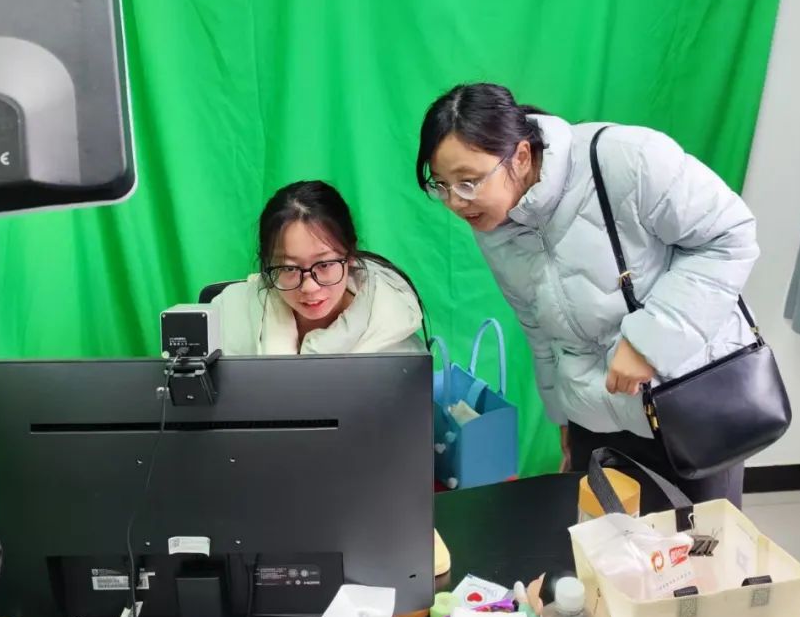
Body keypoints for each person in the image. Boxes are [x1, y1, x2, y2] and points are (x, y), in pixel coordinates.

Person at [415, 83, 758, 509]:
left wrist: (650, 342)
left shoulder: (627, 159)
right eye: (441, 185)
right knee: (602, 543)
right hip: (595, 416)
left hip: (688, 403)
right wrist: (563, 416)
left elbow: (730, 237)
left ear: (520, 156)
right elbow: (536, 324)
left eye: (468, 182)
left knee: (698, 544)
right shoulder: (494, 222)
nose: (454, 202)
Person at [212, 180, 425, 355]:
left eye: (324, 265)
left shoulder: (390, 327)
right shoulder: (231, 317)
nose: (310, 287)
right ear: (267, 264)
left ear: (350, 255)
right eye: (289, 269)